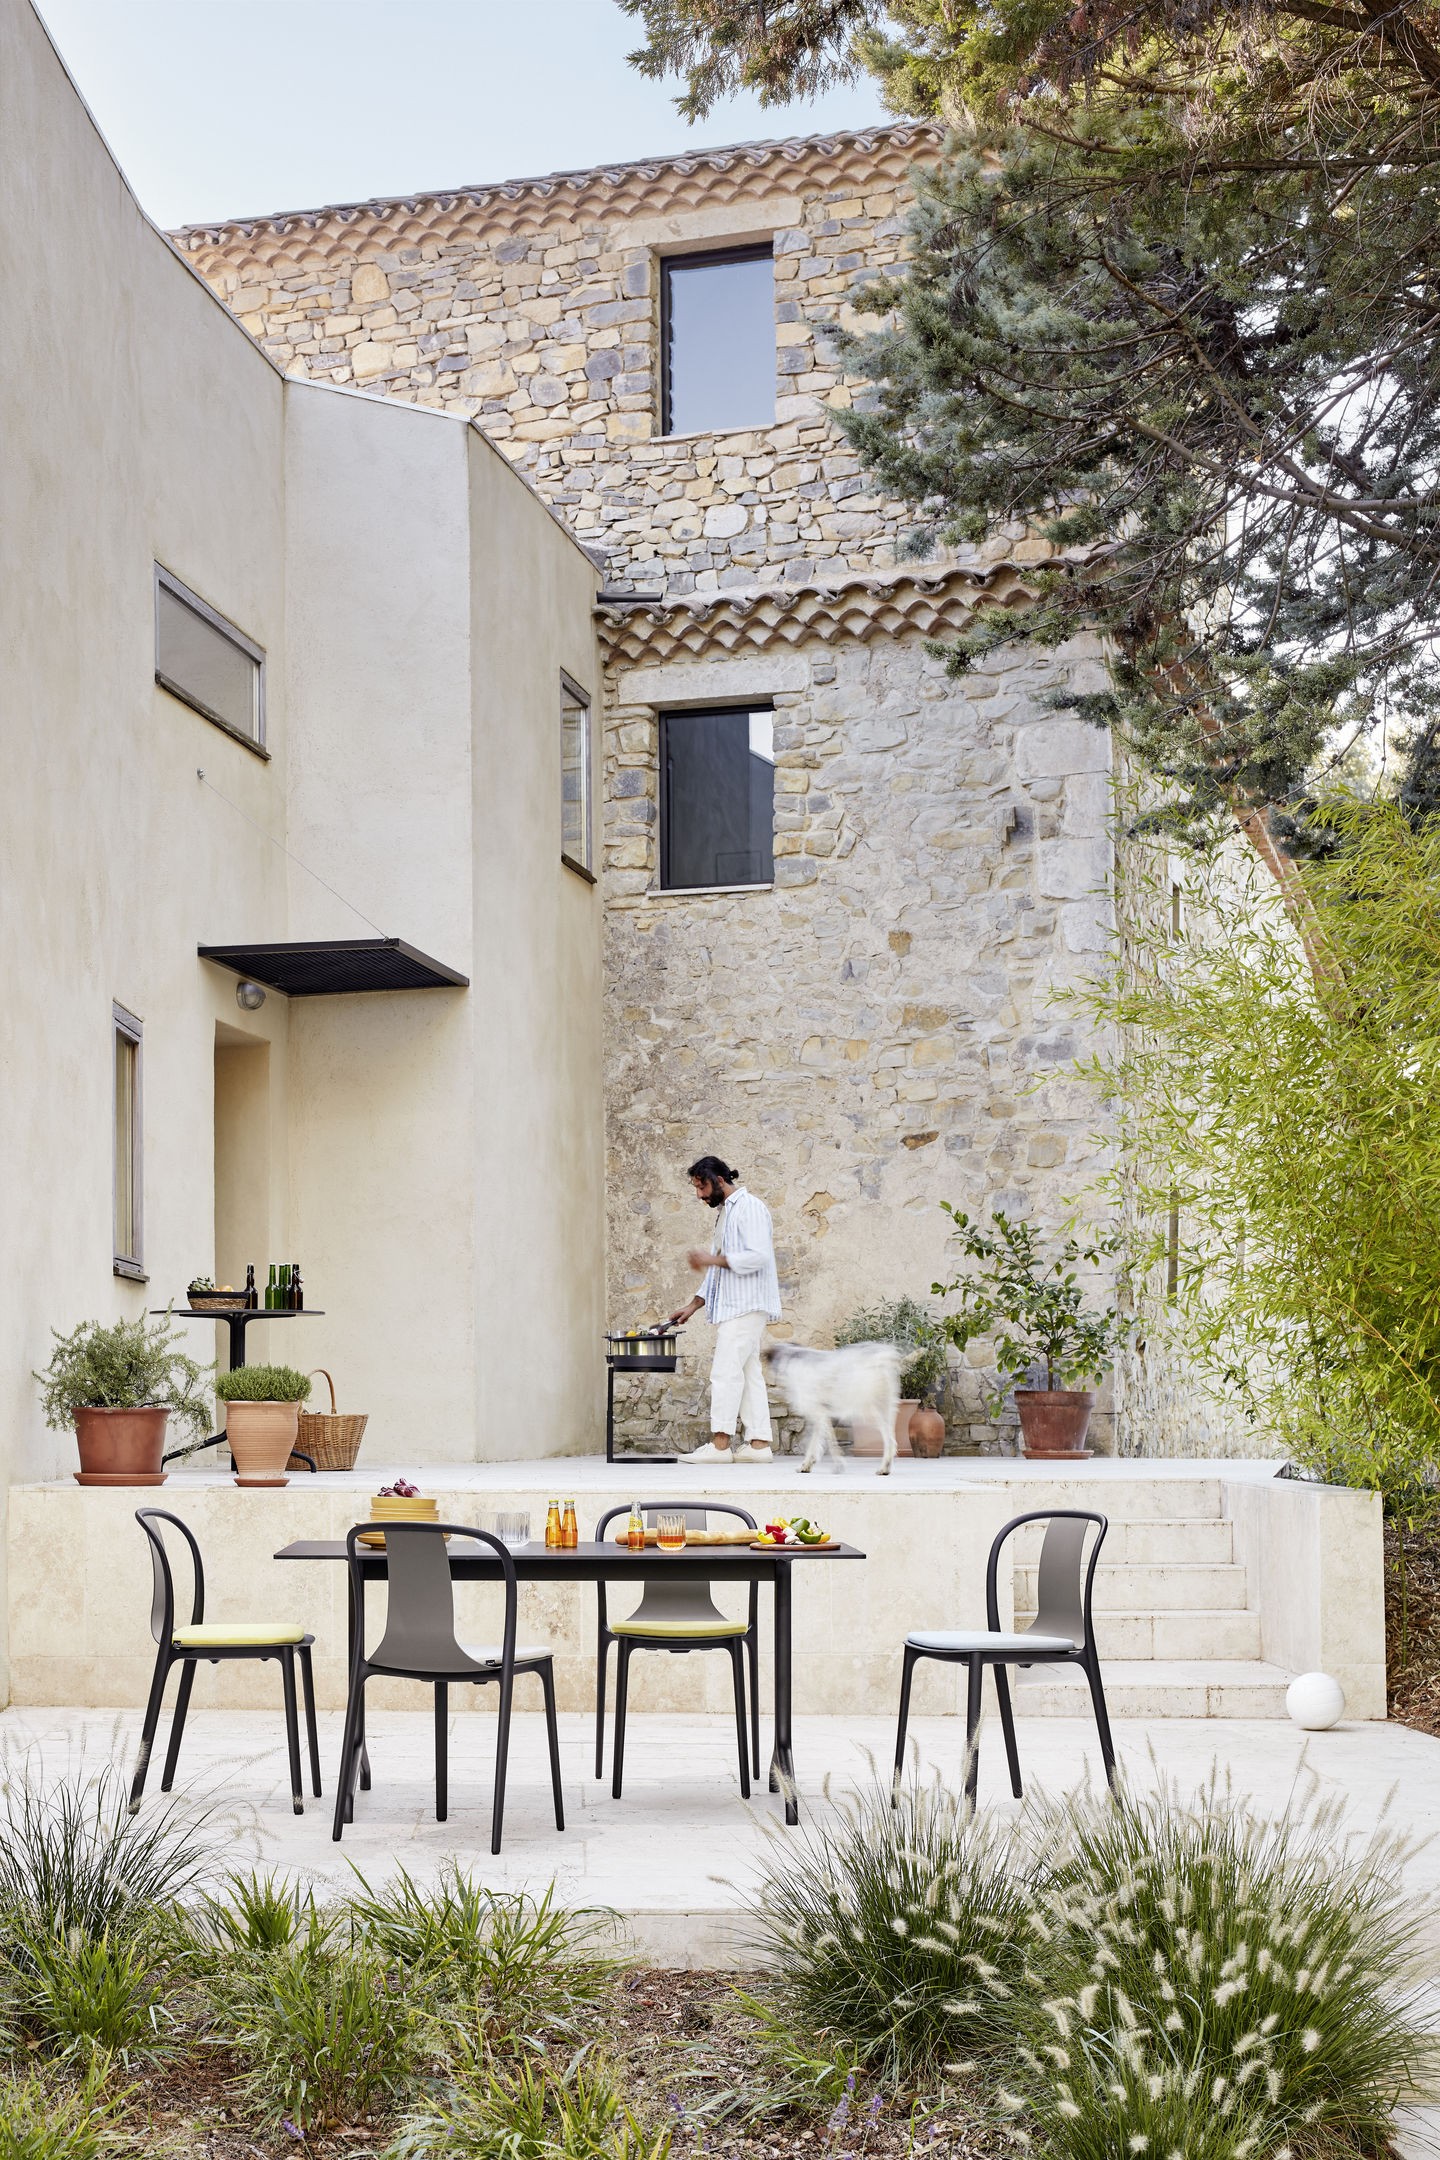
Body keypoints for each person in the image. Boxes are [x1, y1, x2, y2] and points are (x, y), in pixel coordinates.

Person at [667, 1155, 781, 1464]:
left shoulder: (750, 1208)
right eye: (696, 1188)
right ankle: (759, 1445)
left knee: (725, 1372)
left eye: (702, 1187)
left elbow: (758, 1256)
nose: (699, 1195)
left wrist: (711, 1259)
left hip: (746, 1304)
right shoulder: (727, 1213)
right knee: (747, 1373)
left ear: (719, 1181)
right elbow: (718, 1270)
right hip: (737, 1305)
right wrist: (692, 1305)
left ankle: (720, 1446)